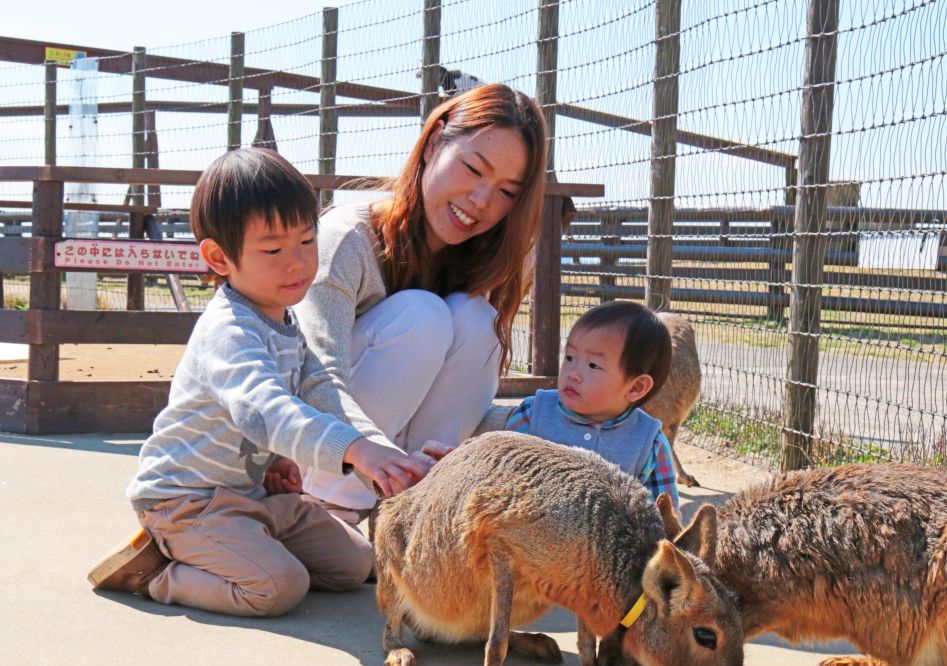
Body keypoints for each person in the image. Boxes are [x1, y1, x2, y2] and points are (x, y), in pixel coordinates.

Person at [87, 147, 434, 617]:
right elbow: (263, 410)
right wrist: (353, 451)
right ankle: (153, 574)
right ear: (219, 257)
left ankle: (247, 545)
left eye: (307, 241)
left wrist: (376, 450)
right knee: (277, 588)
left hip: (253, 496)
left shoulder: (286, 320)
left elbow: (320, 390)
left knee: (355, 565)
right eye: (272, 250)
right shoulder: (229, 331)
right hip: (187, 502)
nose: (297, 262)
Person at [294, 83, 549, 518]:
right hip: (301, 450)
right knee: (423, 314)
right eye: (473, 168)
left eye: (507, 192)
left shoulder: (478, 262)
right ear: (433, 144)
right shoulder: (347, 240)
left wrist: (561, 421)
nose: (481, 201)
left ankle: (414, 513)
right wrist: (369, 454)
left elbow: (458, 406)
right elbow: (314, 377)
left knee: (478, 322)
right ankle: (333, 508)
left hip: (387, 471)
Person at [504, 300, 679, 509]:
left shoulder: (650, 444)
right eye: (570, 357)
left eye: (593, 365)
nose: (573, 373)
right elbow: (495, 474)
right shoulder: (533, 414)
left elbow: (664, 517)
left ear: (636, 387)